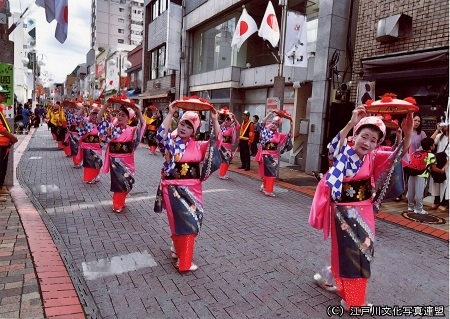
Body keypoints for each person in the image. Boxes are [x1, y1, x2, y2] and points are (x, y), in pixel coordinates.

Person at [309, 106, 413, 310]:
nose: (367, 142)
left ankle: (330, 277)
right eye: (364, 136)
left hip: (365, 208)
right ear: (354, 135)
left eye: (373, 140)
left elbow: (397, 156)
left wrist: (407, 133)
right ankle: (353, 301)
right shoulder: (343, 154)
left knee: (361, 251)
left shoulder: (373, 157)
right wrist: (350, 121)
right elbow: (332, 148)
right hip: (345, 211)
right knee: (354, 254)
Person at [156, 101, 221, 272]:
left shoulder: (199, 146)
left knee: (189, 222)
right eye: (183, 123)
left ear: (194, 131)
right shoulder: (170, 142)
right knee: (184, 224)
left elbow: (218, 141)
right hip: (172, 188)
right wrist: (170, 113)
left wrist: (214, 119)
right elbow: (160, 136)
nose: (184, 127)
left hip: (193, 189)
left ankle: (178, 251)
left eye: (189, 126)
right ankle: (184, 262)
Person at [97, 101, 145, 213]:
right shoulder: (112, 128)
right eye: (119, 114)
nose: (120, 117)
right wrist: (105, 106)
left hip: (128, 160)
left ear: (129, 118)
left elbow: (142, 125)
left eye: (123, 115)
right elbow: (99, 120)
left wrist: (138, 111)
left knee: (128, 182)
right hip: (115, 160)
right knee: (119, 182)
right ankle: (117, 204)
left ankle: (120, 201)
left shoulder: (132, 130)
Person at [254, 111, 293, 197]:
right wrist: (270, 114)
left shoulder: (279, 135)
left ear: (278, 126)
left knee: (268, 172)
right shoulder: (266, 131)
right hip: (265, 154)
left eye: (275, 124)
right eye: (272, 123)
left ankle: (265, 186)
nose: (273, 125)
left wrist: (291, 124)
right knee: (271, 173)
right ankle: (269, 190)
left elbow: (289, 136)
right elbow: (262, 123)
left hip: (274, 155)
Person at [0, 86, 18, 200]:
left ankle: (0, 186)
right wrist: (12, 137)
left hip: (3, 144)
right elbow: (1, 129)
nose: (5, 96)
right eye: (2, 94)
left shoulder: (1, 109)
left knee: (2, 167)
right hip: (1, 143)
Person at [77, 105, 103, 184]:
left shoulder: (101, 125)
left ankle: (95, 176)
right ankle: (90, 177)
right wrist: (82, 108)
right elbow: (78, 118)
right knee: (89, 163)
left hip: (97, 148)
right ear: (90, 114)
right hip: (87, 147)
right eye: (93, 114)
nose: (94, 116)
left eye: (96, 114)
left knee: (97, 162)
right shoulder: (86, 122)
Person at [429, 121, 449, 212]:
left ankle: (444, 203)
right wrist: (437, 130)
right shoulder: (440, 137)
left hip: (447, 165)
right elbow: (430, 142)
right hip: (438, 162)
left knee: (446, 183)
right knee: (436, 182)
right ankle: (436, 201)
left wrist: (445, 167)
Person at [218, 110, 239, 180]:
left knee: (228, 160)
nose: (226, 121)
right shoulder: (222, 127)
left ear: (231, 122)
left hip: (228, 146)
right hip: (223, 145)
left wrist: (234, 118)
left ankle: (223, 173)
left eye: (228, 120)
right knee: (225, 160)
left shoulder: (232, 128)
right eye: (226, 120)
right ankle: (222, 174)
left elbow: (238, 126)